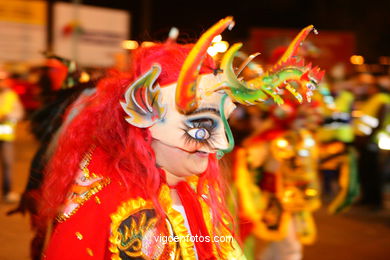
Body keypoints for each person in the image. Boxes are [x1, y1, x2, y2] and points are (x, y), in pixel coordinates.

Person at [40, 17, 320, 259]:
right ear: (144, 118)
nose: (223, 144)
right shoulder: (112, 203)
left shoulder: (191, 192)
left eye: (225, 125)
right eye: (200, 129)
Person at [0, 71, 24, 203]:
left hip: (6, 137)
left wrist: (8, 116)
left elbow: (19, 113)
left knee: (7, 165)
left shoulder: (11, 96)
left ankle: (7, 192)